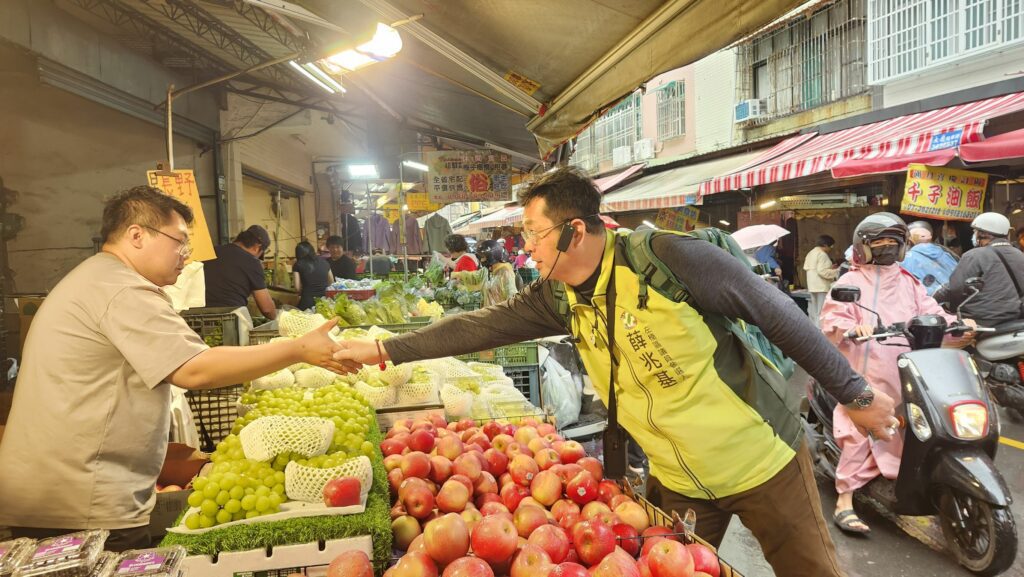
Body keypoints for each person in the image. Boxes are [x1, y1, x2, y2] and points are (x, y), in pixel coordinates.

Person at [335, 168, 900, 577]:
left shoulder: (670, 260)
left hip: (760, 461)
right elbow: (478, 327)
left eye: (534, 234)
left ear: (575, 232)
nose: (526, 248)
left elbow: (776, 313)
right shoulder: (560, 296)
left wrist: (854, 392)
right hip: (678, 481)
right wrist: (386, 349)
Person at [0, 187, 347, 551]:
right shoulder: (121, 290)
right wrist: (296, 349)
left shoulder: (96, 279)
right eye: (178, 241)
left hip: (59, 493)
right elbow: (193, 370)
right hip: (82, 505)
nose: (186, 254)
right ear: (136, 235)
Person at [819, 213, 972, 535]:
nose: (887, 247)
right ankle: (844, 500)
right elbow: (831, 320)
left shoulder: (908, 281)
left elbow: (932, 311)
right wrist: (852, 328)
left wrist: (956, 323)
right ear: (864, 247)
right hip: (866, 367)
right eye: (879, 243)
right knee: (859, 430)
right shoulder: (850, 282)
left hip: (910, 366)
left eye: (893, 242)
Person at [934, 212, 1024, 327]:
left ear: (984, 233)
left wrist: (933, 300)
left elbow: (955, 288)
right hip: (1016, 318)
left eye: (975, 231)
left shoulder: (974, 255)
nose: (974, 235)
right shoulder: (1019, 254)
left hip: (982, 321)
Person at [203, 224, 277, 319]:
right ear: (257, 247)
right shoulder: (252, 262)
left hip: (198, 316)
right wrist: (276, 319)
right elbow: (267, 309)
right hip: (231, 321)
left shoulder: (210, 252)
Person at [900, 221, 958, 296]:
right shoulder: (945, 252)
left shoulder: (906, 258)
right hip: (957, 297)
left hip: (928, 302)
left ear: (910, 240)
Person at [803, 235, 839, 326]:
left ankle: (814, 330)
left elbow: (813, 268)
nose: (831, 249)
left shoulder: (811, 253)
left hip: (812, 285)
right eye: (831, 246)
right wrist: (837, 271)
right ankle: (820, 332)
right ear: (825, 245)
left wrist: (830, 268)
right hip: (821, 286)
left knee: (814, 311)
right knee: (822, 311)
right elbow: (822, 272)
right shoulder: (822, 254)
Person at [475, 239, 522, 306]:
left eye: (483, 257)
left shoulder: (505, 272)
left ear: (491, 256)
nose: (481, 260)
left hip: (500, 313)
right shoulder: (488, 271)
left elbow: (512, 296)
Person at [292, 241, 334, 310]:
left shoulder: (298, 264)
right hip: (324, 301)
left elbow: (297, 288)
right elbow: (331, 282)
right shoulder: (325, 262)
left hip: (307, 302)